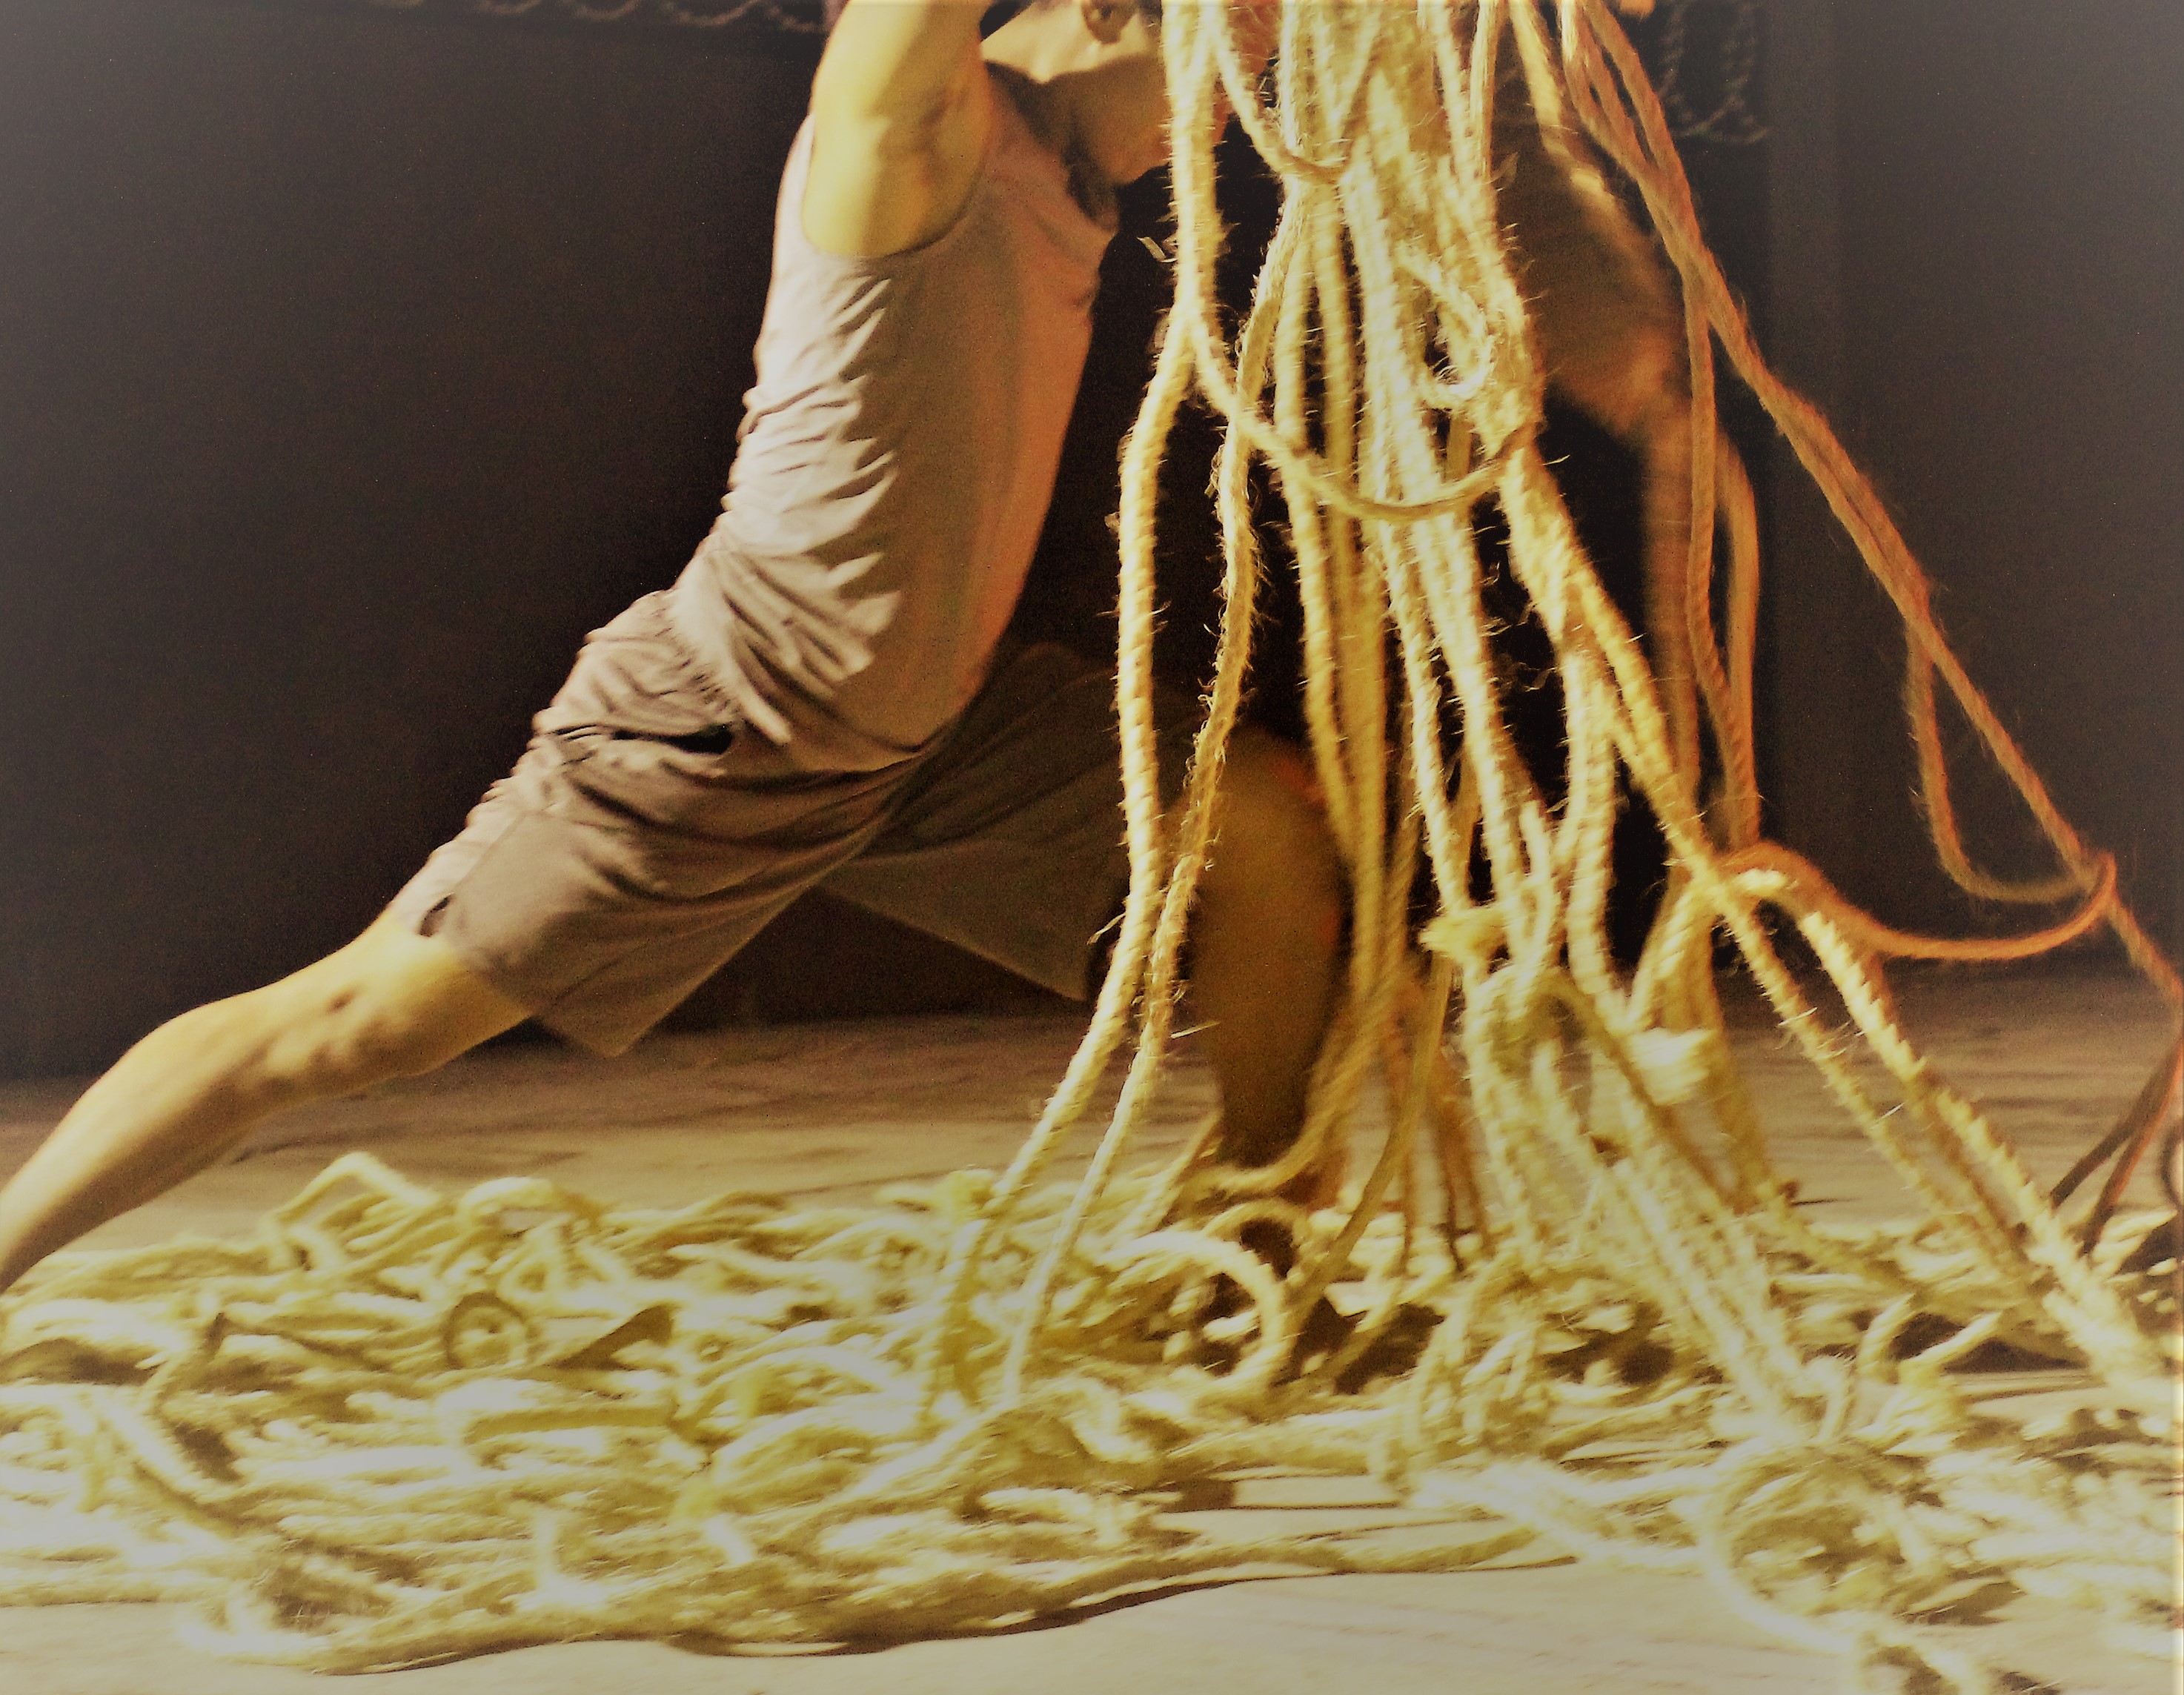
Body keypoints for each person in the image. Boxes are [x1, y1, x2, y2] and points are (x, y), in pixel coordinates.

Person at [0, 0, 1345, 1297]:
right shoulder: (917, 130)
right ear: (1106, 14)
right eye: (1221, 82)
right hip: (741, 708)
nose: (1222, 127)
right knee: (353, 1023)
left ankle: (1255, 1236)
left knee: (1264, 834)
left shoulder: (1073, 185)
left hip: (938, 738)